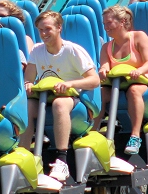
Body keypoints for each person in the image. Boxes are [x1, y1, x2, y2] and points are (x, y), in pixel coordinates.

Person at [20, 11, 101, 181]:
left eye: (47, 29)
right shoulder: (37, 50)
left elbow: (94, 80)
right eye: (41, 30)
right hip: (44, 97)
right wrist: (28, 84)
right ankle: (25, 159)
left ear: (58, 28)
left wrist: (70, 84)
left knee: (60, 104)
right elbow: (28, 78)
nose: (43, 34)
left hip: (74, 99)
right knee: (27, 106)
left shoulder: (73, 50)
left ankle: (61, 160)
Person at [96, 6, 148, 155]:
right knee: (101, 93)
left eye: (109, 23)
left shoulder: (139, 37)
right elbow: (104, 65)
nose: (106, 27)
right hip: (117, 83)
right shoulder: (106, 47)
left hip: (140, 80)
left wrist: (138, 71)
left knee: (134, 91)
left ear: (122, 22)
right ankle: (94, 133)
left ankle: (135, 136)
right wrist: (103, 71)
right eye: (104, 24)